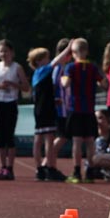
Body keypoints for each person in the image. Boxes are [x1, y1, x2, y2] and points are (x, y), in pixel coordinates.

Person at [61, 37, 107, 183]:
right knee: (90, 141)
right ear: (86, 51)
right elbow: (105, 83)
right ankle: (90, 171)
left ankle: (76, 171)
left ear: (73, 52)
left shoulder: (71, 67)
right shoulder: (93, 67)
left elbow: (65, 83)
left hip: (76, 108)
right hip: (89, 109)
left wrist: (63, 78)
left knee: (77, 141)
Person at [27, 43, 72, 182]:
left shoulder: (36, 74)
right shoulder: (43, 71)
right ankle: (50, 168)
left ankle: (39, 168)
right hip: (46, 108)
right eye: (46, 58)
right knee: (48, 139)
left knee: (38, 138)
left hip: (39, 109)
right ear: (40, 61)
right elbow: (56, 61)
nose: (49, 59)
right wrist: (68, 48)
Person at [0, 39, 29, 180]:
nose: (3, 54)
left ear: (11, 52)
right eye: (1, 51)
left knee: (9, 136)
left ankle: (10, 168)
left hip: (11, 103)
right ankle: (2, 166)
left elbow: (26, 87)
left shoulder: (17, 67)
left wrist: (13, 84)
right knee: (0, 136)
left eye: (6, 51)